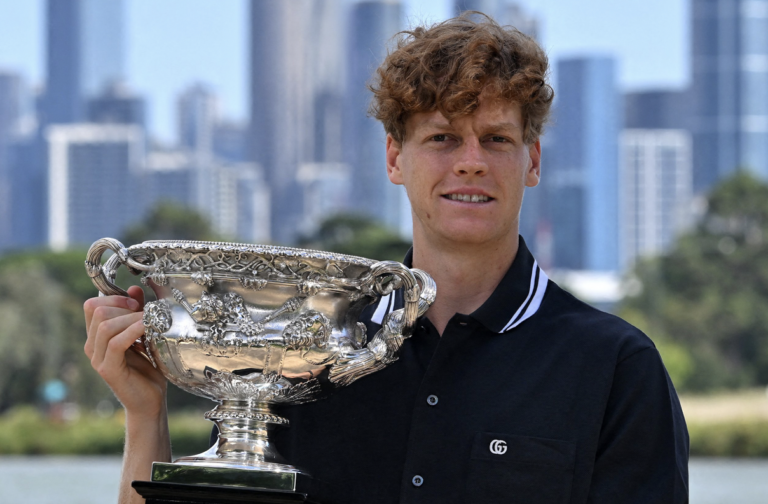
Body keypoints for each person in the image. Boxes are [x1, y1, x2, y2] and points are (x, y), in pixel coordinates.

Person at [84, 13, 688, 504]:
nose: (471, 161)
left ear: (532, 162)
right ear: (395, 159)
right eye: (443, 137)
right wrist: (146, 417)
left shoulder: (614, 368)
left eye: (497, 139)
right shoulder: (300, 351)